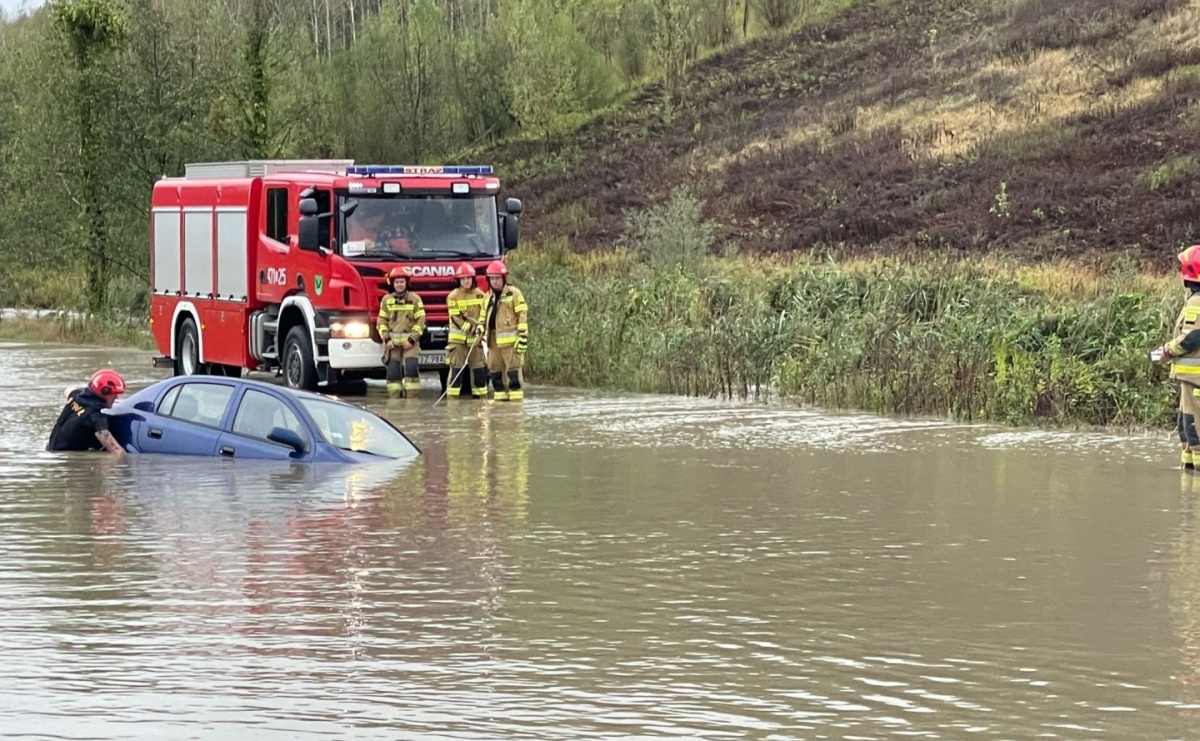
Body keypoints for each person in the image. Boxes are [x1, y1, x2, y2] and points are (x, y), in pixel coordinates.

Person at [1152, 245, 1200, 471]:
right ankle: (1189, 484)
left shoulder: (1197, 303)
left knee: (1194, 429)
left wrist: (1166, 351)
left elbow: (1191, 338)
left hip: (1196, 379)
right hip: (1189, 378)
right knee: (1186, 428)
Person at [46, 369, 127, 454]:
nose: (116, 398)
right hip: (68, 456)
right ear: (105, 392)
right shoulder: (96, 417)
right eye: (115, 395)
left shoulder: (75, 396)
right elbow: (116, 450)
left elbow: (68, 390)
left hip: (51, 447)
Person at [482, 260, 528, 401]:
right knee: (496, 376)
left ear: (503, 278)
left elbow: (522, 314)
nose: (494, 282)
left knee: (513, 376)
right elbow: (482, 317)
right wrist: (479, 328)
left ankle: (515, 411)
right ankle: (501, 411)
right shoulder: (487, 297)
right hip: (493, 342)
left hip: (511, 344)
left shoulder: (514, 293)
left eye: (497, 278)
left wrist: (523, 337)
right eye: (492, 278)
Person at [377, 267, 425, 399]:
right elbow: (381, 321)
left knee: (411, 369)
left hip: (410, 344)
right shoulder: (386, 300)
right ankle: (395, 403)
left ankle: (412, 402)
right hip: (392, 346)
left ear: (406, 283)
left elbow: (421, 321)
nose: (399, 284)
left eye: (402, 282)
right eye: (397, 282)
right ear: (392, 283)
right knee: (393, 375)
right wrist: (387, 340)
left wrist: (411, 340)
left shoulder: (415, 299)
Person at [445, 262, 488, 399]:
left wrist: (481, 330)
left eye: (468, 278)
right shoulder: (453, 296)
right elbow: (455, 317)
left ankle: (481, 406)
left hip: (476, 342)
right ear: (458, 280)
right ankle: (453, 406)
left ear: (473, 279)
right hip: (458, 342)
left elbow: (484, 315)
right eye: (463, 279)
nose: (466, 281)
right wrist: (470, 328)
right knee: (456, 374)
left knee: (479, 374)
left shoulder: (481, 295)